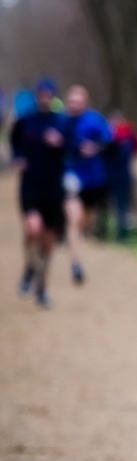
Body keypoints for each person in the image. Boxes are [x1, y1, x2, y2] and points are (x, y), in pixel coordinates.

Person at [9, 80, 69, 308]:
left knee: (48, 241)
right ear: (36, 96)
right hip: (30, 184)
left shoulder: (61, 122)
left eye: (48, 94)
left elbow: (71, 149)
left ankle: (42, 287)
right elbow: (14, 143)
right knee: (32, 228)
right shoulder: (26, 122)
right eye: (41, 94)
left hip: (53, 186)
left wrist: (61, 143)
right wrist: (18, 159)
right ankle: (29, 268)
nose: (44, 97)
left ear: (53, 96)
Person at [60, 84, 113, 280]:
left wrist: (95, 148)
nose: (74, 105)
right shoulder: (61, 121)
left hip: (93, 178)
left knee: (86, 220)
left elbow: (108, 140)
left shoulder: (94, 120)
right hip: (70, 175)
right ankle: (76, 265)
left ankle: (80, 232)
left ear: (85, 103)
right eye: (71, 102)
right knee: (73, 220)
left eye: (78, 102)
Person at [106, 111, 137, 241]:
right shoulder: (128, 135)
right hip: (119, 176)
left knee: (116, 206)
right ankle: (119, 234)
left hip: (113, 176)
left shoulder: (109, 135)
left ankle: (115, 233)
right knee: (120, 206)